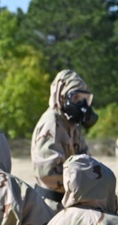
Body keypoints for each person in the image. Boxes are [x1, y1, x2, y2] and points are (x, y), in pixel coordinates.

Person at [31, 69, 96, 213]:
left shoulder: (71, 125)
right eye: (76, 99)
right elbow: (49, 173)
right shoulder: (52, 123)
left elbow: (86, 160)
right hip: (50, 207)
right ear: (62, 96)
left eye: (85, 99)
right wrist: (83, 182)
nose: (82, 105)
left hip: (68, 203)